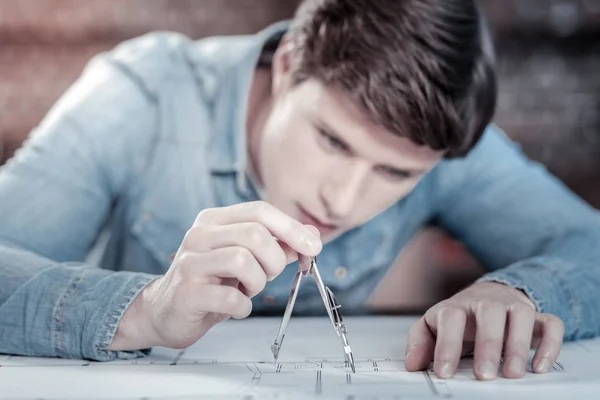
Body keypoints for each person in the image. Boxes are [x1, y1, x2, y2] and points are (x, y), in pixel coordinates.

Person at [0, 0, 599, 382]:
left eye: (394, 175)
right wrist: (147, 311)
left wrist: (516, 290)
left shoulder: (435, 132)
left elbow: (587, 244)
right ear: (288, 66)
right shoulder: (138, 97)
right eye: (332, 141)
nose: (342, 199)